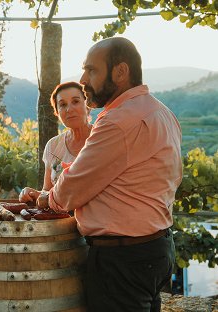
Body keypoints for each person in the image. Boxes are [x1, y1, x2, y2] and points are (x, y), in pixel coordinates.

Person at [49, 37, 182, 311]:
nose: (83, 79)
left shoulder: (117, 121)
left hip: (122, 259)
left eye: (92, 70)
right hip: (157, 247)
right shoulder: (163, 112)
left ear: (120, 72)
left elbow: (69, 191)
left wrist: (44, 199)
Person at [19, 81, 92, 204]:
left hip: (95, 220)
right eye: (62, 105)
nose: (69, 109)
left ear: (88, 107)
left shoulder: (101, 139)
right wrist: (31, 193)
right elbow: (47, 191)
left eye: (76, 101)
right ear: (57, 113)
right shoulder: (53, 146)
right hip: (60, 220)